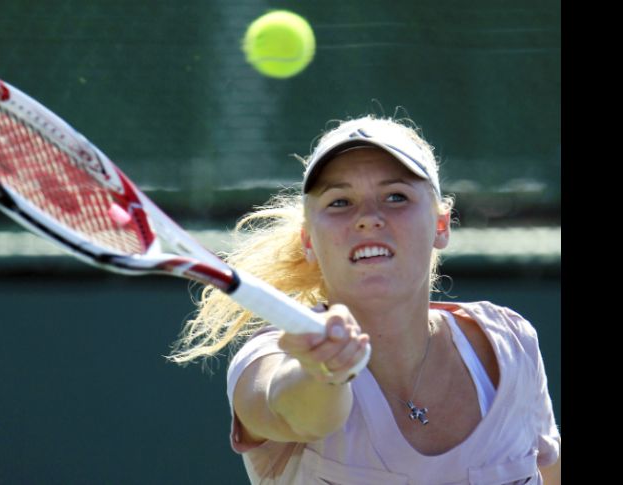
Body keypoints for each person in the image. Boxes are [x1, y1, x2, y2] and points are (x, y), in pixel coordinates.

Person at [169, 115, 561, 484]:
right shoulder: (270, 359)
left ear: (441, 225)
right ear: (309, 241)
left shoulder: (511, 343)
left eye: (396, 196)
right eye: (339, 202)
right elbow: (300, 413)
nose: (368, 217)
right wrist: (323, 372)